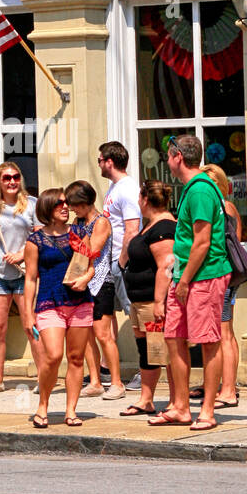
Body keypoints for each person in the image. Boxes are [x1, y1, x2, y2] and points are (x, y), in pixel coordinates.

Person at [160, 135, 232, 432]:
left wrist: (185, 280)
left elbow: (202, 242)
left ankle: (208, 411)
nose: (167, 161)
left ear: (178, 157)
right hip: (185, 275)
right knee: (173, 337)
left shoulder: (201, 189)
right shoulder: (192, 188)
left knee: (208, 342)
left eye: (168, 156)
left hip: (204, 275)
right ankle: (180, 407)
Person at [95, 178, 176, 422]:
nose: (137, 202)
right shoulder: (150, 225)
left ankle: (175, 402)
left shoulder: (164, 227)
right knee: (147, 352)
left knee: (164, 352)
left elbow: (166, 266)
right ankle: (146, 400)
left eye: (139, 198)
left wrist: (160, 302)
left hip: (154, 301)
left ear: (145, 199)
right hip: (139, 301)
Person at [23, 187, 94, 428]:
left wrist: (85, 279)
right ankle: (42, 405)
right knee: (53, 356)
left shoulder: (79, 232)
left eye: (66, 203)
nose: (65, 207)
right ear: (47, 208)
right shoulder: (35, 241)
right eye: (59, 203)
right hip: (49, 303)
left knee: (76, 358)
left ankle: (71, 410)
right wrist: (28, 314)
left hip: (80, 302)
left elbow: (90, 265)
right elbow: (30, 279)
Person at [0, 162, 41, 394]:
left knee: (31, 325)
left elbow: (40, 238)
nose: (12, 181)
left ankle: (43, 377)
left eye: (15, 177)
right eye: (7, 178)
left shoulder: (32, 205)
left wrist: (22, 254)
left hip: (25, 273)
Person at [65, 179, 125, 400]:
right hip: (81, 282)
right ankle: (95, 381)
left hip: (100, 282)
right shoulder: (78, 222)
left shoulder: (101, 222)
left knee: (103, 334)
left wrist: (74, 238)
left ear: (85, 202)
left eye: (74, 205)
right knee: (87, 335)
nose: (72, 210)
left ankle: (117, 383)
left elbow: (92, 250)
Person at [97, 141, 142, 389]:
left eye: (100, 160)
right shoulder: (114, 188)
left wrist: (121, 262)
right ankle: (106, 368)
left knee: (136, 316)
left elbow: (132, 229)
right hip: (110, 261)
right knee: (108, 313)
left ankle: (146, 369)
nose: (99, 165)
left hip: (122, 262)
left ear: (109, 162)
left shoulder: (127, 189)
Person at [200, 163, 242, 411]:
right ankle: (227, 385)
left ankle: (227, 391)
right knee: (228, 333)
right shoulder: (230, 207)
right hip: (231, 274)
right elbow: (238, 239)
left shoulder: (219, 207)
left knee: (223, 333)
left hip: (220, 274)